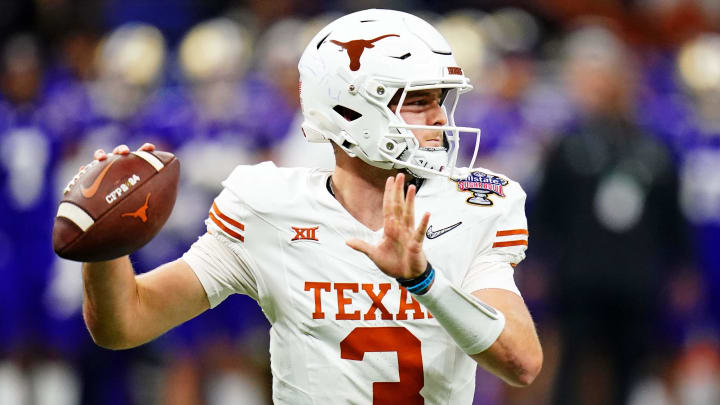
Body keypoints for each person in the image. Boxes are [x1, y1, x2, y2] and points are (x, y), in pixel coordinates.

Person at [78, 9, 542, 403]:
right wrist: (103, 241)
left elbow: (522, 363)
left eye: (441, 100)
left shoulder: (474, 204)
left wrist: (423, 281)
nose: (440, 117)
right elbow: (127, 323)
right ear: (348, 110)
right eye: (417, 101)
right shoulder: (268, 206)